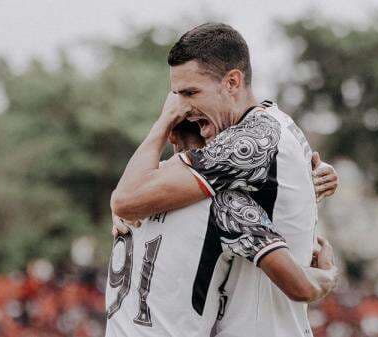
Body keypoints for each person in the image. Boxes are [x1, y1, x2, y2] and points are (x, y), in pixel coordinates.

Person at [110, 23, 338, 337]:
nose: (183, 107)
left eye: (189, 93)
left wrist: (162, 125)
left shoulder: (248, 148)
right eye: (176, 97)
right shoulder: (277, 128)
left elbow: (127, 198)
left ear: (232, 82)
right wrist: (327, 273)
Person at [106, 121, 338, 337]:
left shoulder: (134, 192)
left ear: (171, 135)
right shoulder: (225, 202)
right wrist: (329, 273)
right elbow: (302, 287)